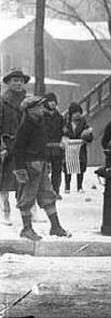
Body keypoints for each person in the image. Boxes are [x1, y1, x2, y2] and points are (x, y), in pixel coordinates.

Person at [11, 95, 70, 240]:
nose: (42, 109)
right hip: (30, 167)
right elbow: (18, 149)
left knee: (48, 194)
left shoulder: (40, 123)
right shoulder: (25, 127)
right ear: (30, 110)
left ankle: (55, 226)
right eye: (38, 107)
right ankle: (26, 228)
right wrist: (20, 169)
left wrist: (46, 162)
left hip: (40, 165)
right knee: (27, 197)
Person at [0, 68, 30, 226]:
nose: (18, 83)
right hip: (8, 145)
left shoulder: (29, 101)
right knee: (5, 180)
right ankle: (5, 212)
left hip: (25, 145)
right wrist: (2, 144)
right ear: (8, 83)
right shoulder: (3, 101)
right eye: (14, 80)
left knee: (26, 178)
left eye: (20, 80)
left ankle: (28, 212)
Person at [62, 102, 93, 193]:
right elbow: (63, 133)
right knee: (68, 166)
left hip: (80, 148)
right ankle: (67, 186)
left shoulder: (84, 124)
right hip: (69, 148)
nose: (77, 114)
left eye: (79, 112)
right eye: (75, 113)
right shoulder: (66, 123)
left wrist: (86, 136)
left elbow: (90, 136)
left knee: (80, 166)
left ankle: (79, 186)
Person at [43, 93, 65, 198]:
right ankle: (45, 191)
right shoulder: (41, 116)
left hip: (57, 147)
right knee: (44, 171)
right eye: (50, 101)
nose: (52, 104)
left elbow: (64, 130)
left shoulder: (59, 117)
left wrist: (64, 138)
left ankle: (55, 191)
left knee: (57, 171)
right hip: (44, 147)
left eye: (54, 101)